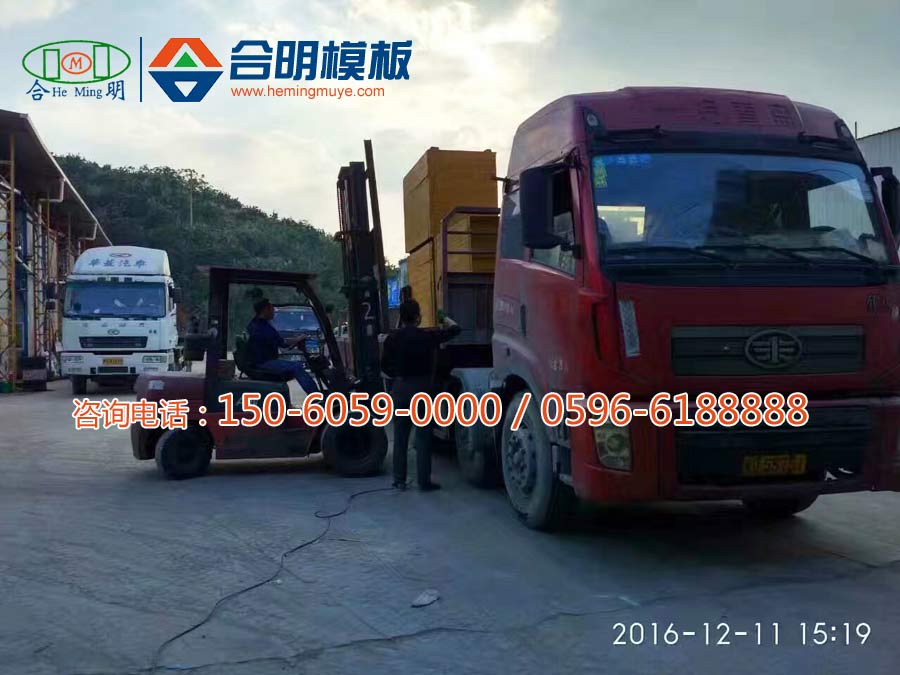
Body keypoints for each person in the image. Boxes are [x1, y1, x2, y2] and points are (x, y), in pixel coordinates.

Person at [380, 299, 460, 491]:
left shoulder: (392, 339)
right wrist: (444, 318)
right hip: (422, 390)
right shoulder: (427, 337)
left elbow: (384, 367)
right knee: (423, 437)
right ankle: (424, 482)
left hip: (400, 389)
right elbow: (456, 329)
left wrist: (397, 377)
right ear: (418, 317)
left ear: (401, 316)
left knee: (400, 437)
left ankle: (399, 480)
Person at [246, 298, 318, 393]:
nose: (273, 311)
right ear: (265, 310)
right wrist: (298, 339)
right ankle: (315, 396)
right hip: (264, 363)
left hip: (263, 361)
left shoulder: (257, 324)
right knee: (297, 367)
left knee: (294, 367)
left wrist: (295, 340)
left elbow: (280, 341)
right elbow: (283, 343)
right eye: (271, 308)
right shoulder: (262, 328)